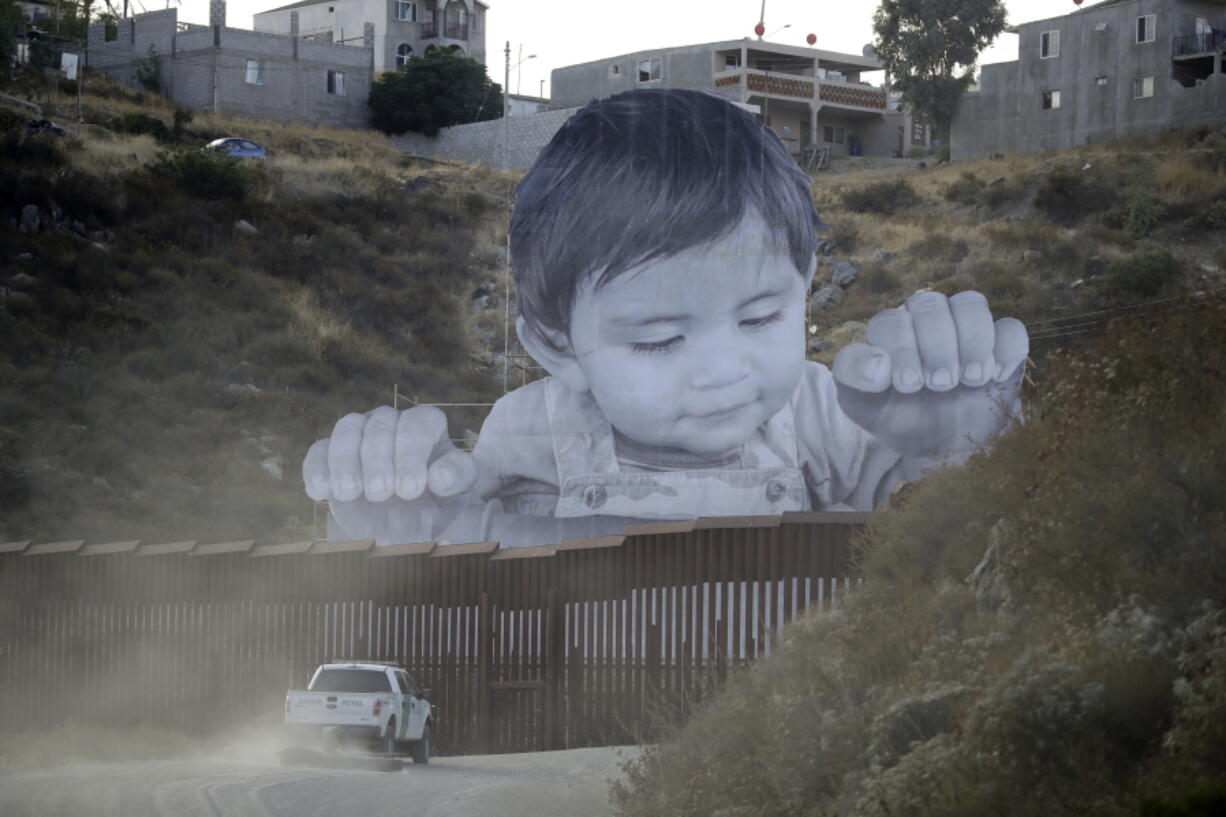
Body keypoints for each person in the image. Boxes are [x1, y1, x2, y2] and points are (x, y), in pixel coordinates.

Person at [302, 89, 1028, 546]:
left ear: (805, 283)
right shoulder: (530, 433)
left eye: (760, 318)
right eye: (658, 340)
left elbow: (942, 546)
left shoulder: (824, 417)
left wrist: (953, 445)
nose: (723, 370)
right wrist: (396, 527)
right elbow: (471, 561)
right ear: (558, 345)